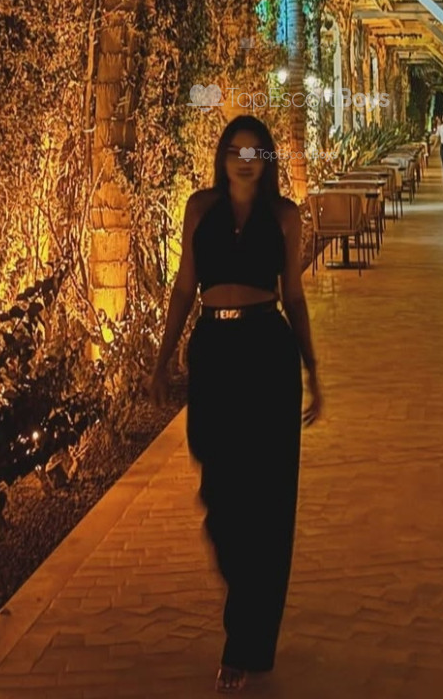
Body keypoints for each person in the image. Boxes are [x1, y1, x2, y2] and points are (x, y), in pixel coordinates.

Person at [148, 114, 322, 693]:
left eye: (255, 152)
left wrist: (313, 369)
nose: (244, 160)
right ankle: (245, 606)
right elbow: (183, 286)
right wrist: (162, 358)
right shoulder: (200, 209)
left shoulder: (285, 216)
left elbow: (294, 294)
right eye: (235, 151)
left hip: (267, 353)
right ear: (222, 157)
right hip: (215, 353)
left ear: (266, 160)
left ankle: (244, 642)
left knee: (265, 502)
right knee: (220, 493)